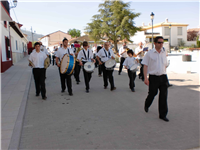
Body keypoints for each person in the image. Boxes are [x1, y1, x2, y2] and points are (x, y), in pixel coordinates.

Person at [142, 36, 169, 122]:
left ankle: (163, 114)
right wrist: (145, 78)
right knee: (152, 93)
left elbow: (165, 63)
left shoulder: (164, 52)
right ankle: (147, 104)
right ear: (154, 43)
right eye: (159, 42)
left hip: (163, 77)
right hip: (153, 77)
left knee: (163, 96)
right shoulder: (149, 53)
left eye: (162, 42)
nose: (161, 44)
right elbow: (145, 66)